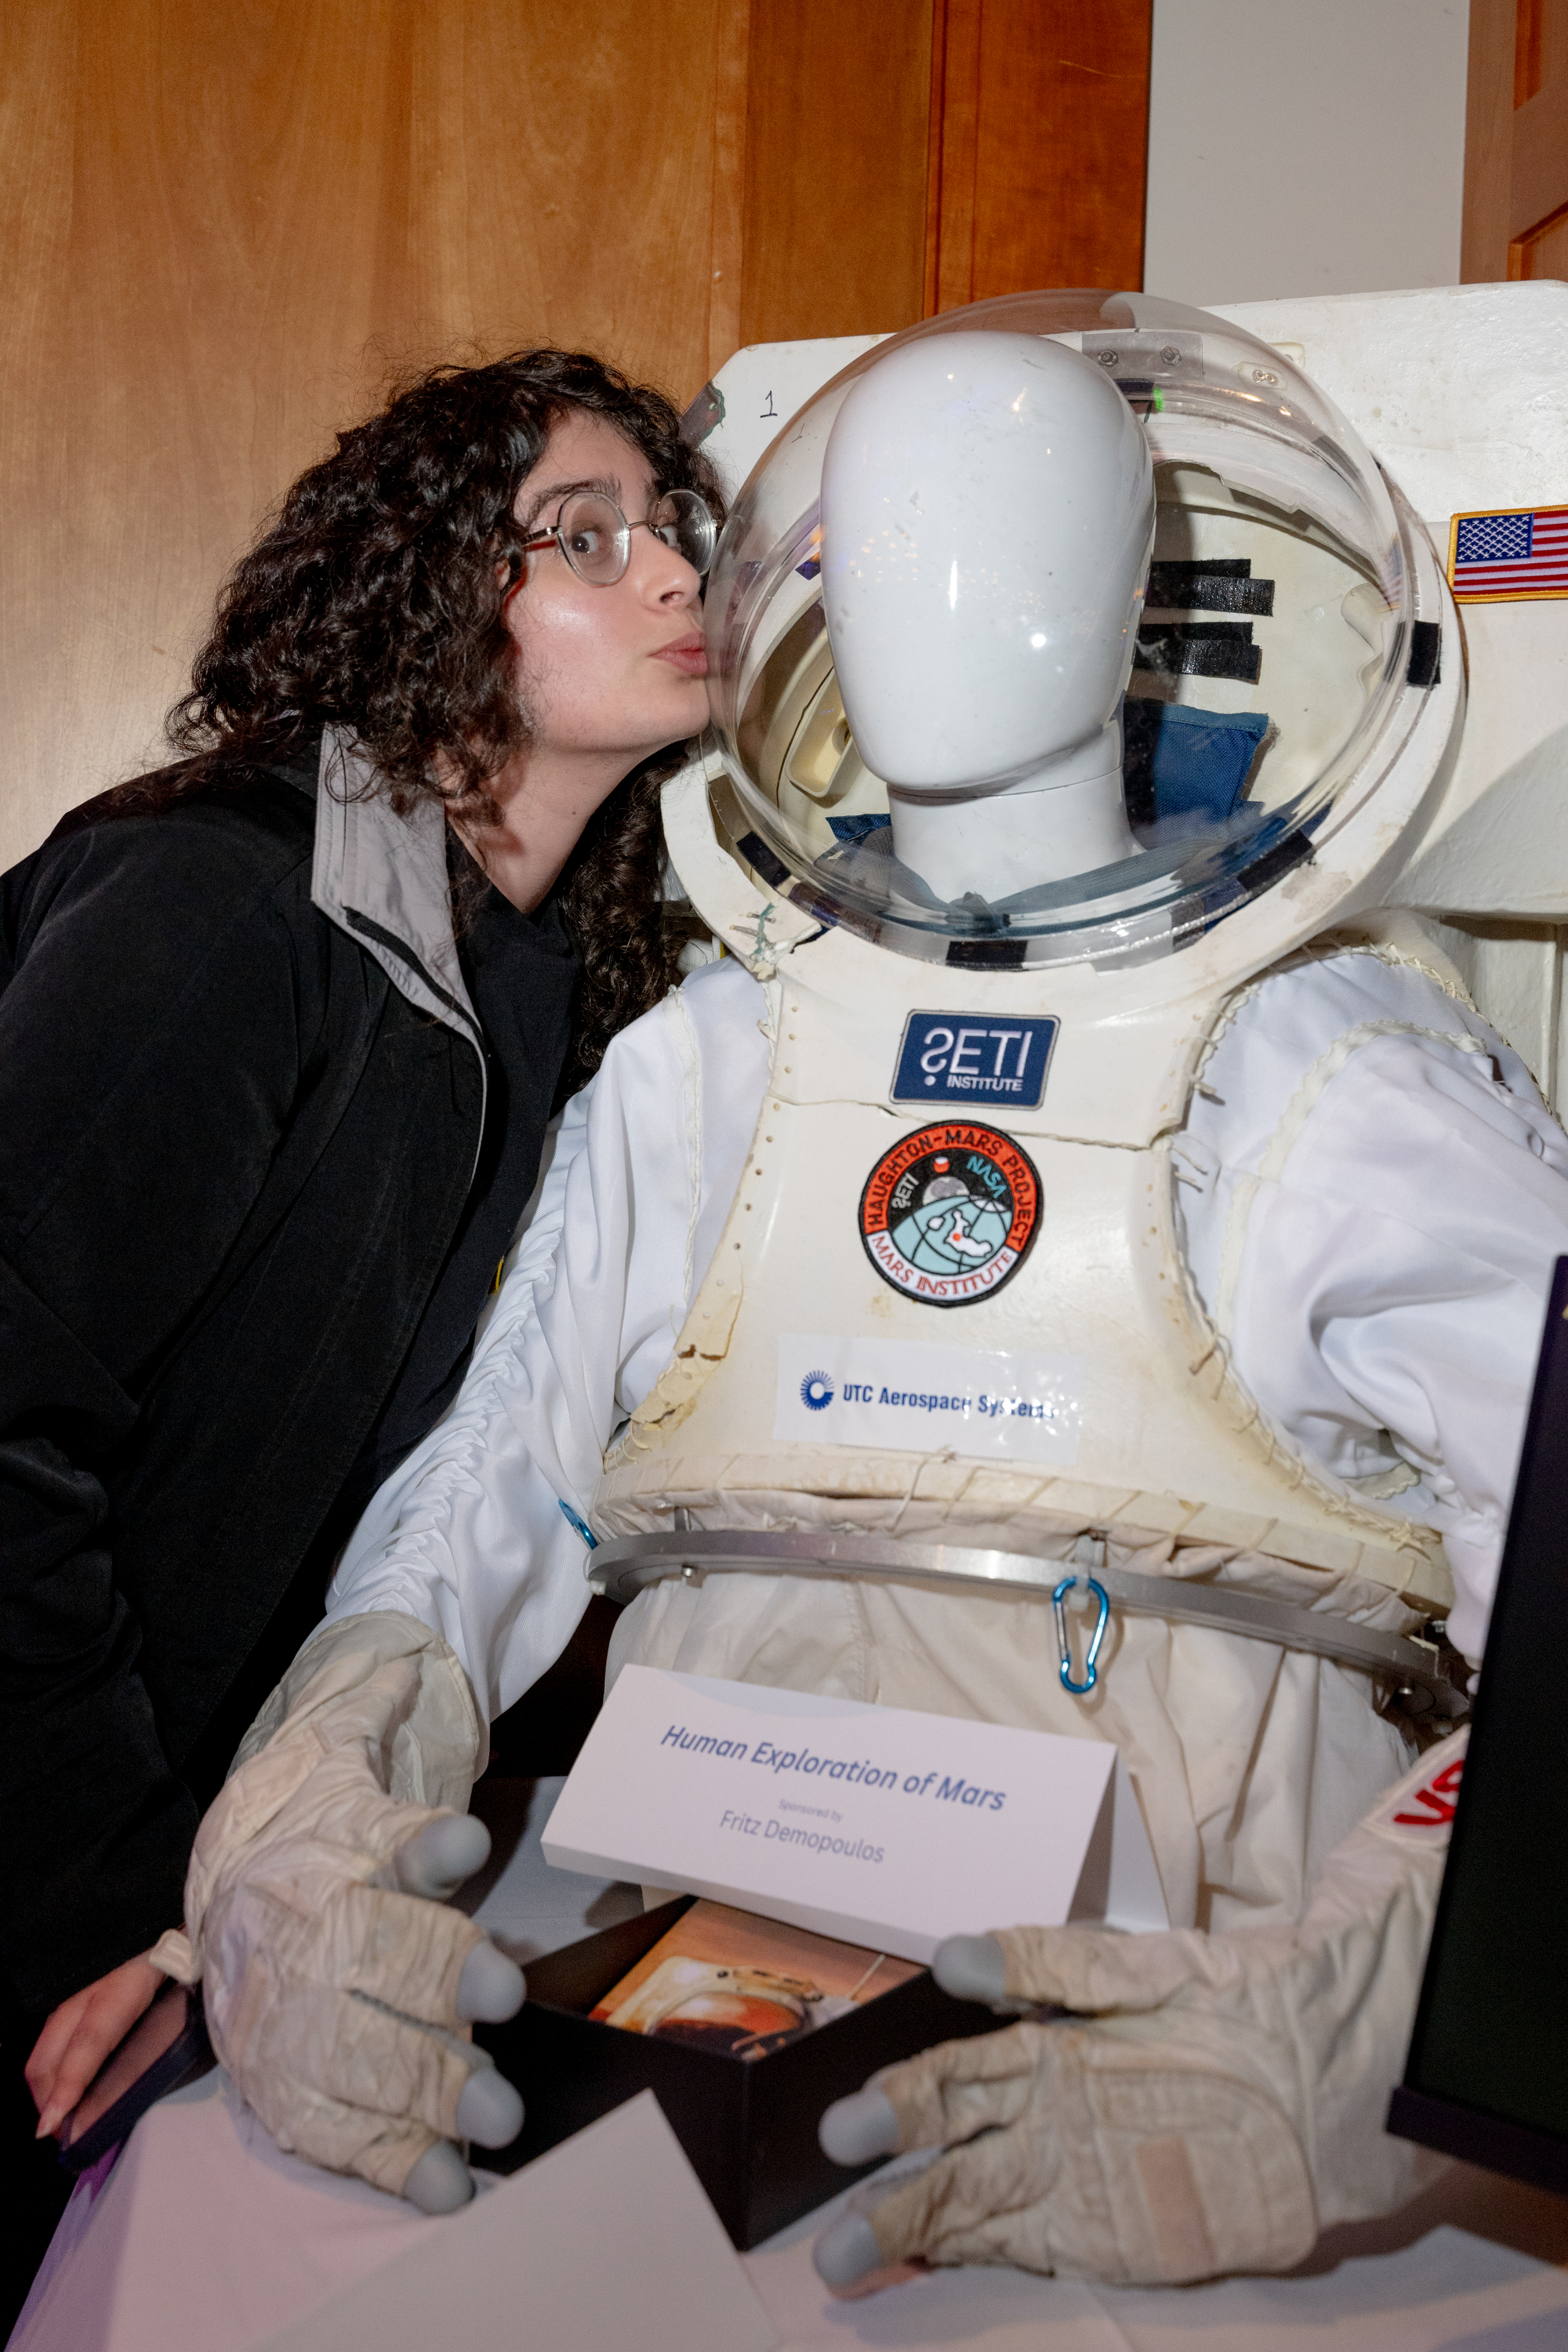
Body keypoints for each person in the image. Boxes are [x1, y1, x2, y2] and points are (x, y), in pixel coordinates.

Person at [143, 310, 1568, 2261]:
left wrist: (1354, 2025)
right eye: (881, 540)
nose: (936, 594)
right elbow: (484, 1498)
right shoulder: (709, 1059)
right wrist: (290, 1833)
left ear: (1127, 603)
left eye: (1009, 534)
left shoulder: (1332, 1073)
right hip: (665, 2038)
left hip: (1162, 2077)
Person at [1, 347, 721, 2278]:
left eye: (678, 533)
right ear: (419, 590)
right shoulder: (214, 907)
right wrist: (114, 1893)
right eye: (588, 538)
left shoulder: (553, 997)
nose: (675, 580)